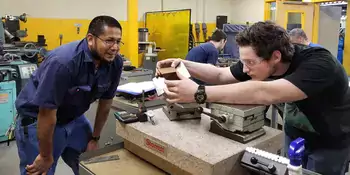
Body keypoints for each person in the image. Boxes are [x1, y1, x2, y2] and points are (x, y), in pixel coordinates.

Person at [156, 21, 350, 175]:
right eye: (243, 62)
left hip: (329, 138)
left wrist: (199, 93)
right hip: (295, 132)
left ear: (275, 56)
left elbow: (263, 93)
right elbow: (220, 75)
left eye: (250, 62)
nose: (245, 69)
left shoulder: (319, 63)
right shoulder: (260, 57)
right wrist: (184, 64)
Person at [14, 15, 123, 175]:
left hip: (74, 119)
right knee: (40, 170)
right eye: (109, 40)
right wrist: (45, 156)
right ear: (90, 39)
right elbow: (46, 113)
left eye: (118, 41)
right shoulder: (63, 63)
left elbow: (106, 103)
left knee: (91, 162)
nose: (115, 47)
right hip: (37, 120)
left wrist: (95, 138)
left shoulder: (115, 63)